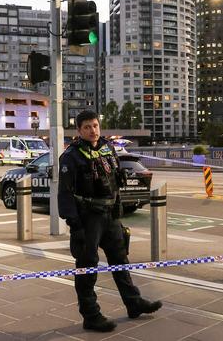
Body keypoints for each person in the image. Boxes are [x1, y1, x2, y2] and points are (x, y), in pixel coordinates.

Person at [59, 110, 162, 332]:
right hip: (88, 218)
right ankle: (91, 315)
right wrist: (74, 224)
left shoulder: (108, 149)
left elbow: (114, 181)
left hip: (110, 215)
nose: (92, 130)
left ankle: (133, 302)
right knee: (87, 267)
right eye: (87, 127)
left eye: (95, 125)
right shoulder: (71, 156)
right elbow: (65, 193)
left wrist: (118, 209)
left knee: (120, 260)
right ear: (79, 130)